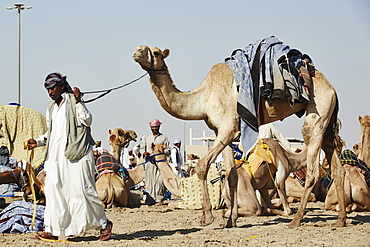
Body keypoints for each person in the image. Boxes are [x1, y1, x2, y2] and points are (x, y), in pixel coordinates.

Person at [27, 72, 112, 241]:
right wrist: (38, 142)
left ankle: (104, 224)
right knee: (53, 191)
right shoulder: (51, 107)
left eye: (52, 88)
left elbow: (87, 120)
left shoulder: (73, 101)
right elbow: (51, 132)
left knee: (84, 191)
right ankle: (52, 229)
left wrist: (79, 101)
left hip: (77, 153)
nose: (50, 92)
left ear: (61, 86)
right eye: (48, 89)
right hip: (56, 157)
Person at [137, 118, 170, 205]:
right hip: (149, 162)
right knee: (149, 180)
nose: (155, 129)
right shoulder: (146, 138)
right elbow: (141, 149)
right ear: (150, 127)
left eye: (156, 127)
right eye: (153, 127)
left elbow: (168, 150)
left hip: (160, 163)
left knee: (160, 180)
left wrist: (161, 150)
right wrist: (144, 153)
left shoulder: (164, 138)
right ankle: (150, 199)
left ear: (159, 127)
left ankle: (159, 198)